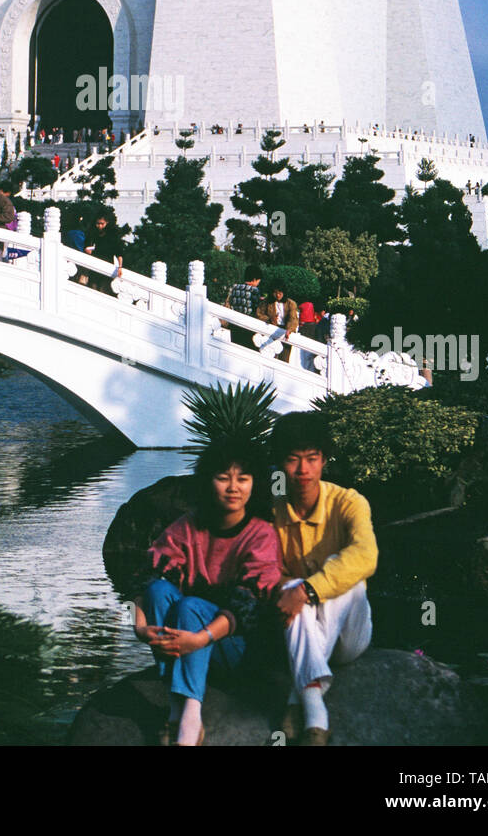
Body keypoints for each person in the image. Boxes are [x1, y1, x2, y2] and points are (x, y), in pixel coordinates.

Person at [133, 437, 283, 747]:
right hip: (186, 643)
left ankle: (191, 717)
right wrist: (138, 626)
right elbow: (144, 578)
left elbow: (249, 604)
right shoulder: (189, 527)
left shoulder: (261, 534)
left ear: (254, 483)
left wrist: (200, 639)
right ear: (208, 481)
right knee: (160, 589)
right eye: (222, 477)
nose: (233, 487)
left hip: (236, 648)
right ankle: (174, 708)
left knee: (189, 606)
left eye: (243, 478)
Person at [270, 411, 377, 747]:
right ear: (280, 463)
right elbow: (267, 570)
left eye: (312, 459)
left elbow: (365, 556)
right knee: (288, 589)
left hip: (350, 635)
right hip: (301, 629)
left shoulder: (348, 502)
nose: (303, 470)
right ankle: (316, 719)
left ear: (324, 460)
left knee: (345, 571)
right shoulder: (272, 510)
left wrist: (308, 588)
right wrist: (295, 590)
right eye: (293, 460)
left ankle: (294, 699)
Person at [83, 211, 124, 294]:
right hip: (95, 266)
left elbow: (119, 253)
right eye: (98, 223)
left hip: (107, 267)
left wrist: (120, 267)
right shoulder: (93, 234)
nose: (100, 226)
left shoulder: (112, 236)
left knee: (104, 290)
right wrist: (87, 250)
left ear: (107, 223)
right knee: (93, 289)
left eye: (102, 224)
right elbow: (87, 247)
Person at [225, 265, 264, 349]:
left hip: (234, 324)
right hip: (248, 327)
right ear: (254, 279)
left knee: (236, 348)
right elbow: (256, 308)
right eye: (258, 281)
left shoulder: (235, 287)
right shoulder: (254, 290)